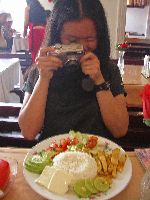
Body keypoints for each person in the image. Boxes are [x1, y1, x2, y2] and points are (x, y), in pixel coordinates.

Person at [18, 0, 129, 142]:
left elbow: (120, 130)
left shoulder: (109, 70)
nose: (81, 48)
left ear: (100, 37)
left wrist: (99, 80)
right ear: (57, 36)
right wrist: (43, 79)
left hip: (95, 157)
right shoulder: (42, 69)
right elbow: (28, 131)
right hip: (54, 158)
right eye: (72, 40)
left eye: (90, 39)